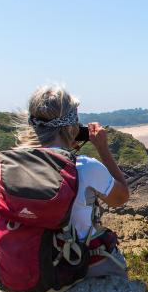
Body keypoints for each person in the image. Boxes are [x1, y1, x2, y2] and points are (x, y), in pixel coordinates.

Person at [15, 85, 130, 277]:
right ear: (70, 126)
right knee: (117, 268)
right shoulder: (85, 167)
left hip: (26, 269)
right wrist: (103, 149)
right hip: (75, 264)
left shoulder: (12, 164)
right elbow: (121, 198)